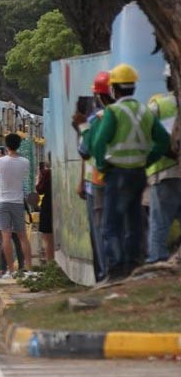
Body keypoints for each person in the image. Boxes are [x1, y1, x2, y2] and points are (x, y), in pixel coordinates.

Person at [88, 63, 172, 280]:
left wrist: (102, 165)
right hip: (139, 174)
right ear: (133, 87)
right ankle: (134, 265)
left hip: (117, 173)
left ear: (114, 89)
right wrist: (147, 160)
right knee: (134, 221)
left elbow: (98, 143)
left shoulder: (113, 111)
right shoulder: (146, 110)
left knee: (111, 224)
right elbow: (163, 140)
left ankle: (116, 269)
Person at [76, 71, 114, 281]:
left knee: (100, 231)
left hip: (97, 182)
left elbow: (85, 151)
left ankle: (104, 275)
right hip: (126, 179)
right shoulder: (133, 113)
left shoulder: (96, 120)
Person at [147, 64, 181, 263]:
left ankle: (157, 263)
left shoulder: (158, 105)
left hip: (164, 172)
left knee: (159, 224)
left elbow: (144, 134)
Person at [0, 133, 32, 276]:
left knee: (5, 237)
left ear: (6, 146)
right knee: (22, 236)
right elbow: (23, 175)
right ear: (19, 145)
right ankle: (29, 268)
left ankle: (11, 270)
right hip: (17, 202)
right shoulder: (25, 162)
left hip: (2, 201)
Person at [36, 161, 55, 264]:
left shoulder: (48, 174)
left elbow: (40, 189)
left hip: (48, 206)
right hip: (58, 204)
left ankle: (50, 264)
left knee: (47, 239)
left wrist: (38, 179)